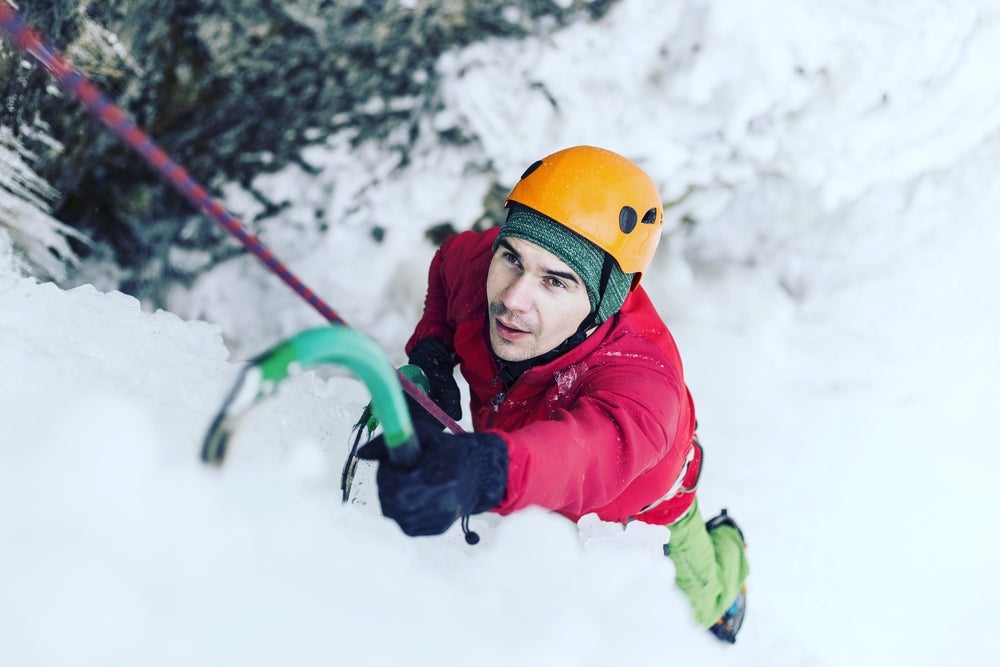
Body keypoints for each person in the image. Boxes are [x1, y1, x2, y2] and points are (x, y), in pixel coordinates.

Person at [358, 145, 751, 643]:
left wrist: (481, 470)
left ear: (605, 301)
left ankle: (730, 553)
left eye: (556, 282)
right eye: (513, 259)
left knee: (698, 604)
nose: (512, 299)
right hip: (517, 456)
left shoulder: (644, 384)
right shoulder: (483, 266)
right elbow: (449, 269)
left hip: (640, 508)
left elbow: (582, 454)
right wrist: (434, 357)